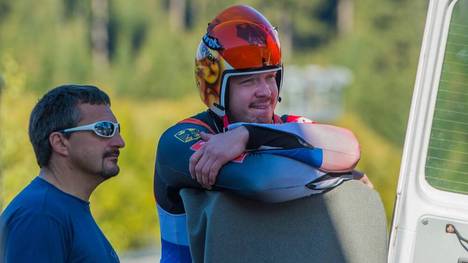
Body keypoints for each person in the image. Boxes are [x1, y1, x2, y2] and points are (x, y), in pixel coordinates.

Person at [154, 5, 372, 262]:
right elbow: (263, 180)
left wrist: (249, 135)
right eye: (248, 81)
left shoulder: (283, 125)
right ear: (215, 88)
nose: (265, 91)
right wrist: (339, 175)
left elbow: (348, 148)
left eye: (270, 77)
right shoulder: (182, 139)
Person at [0, 84, 125, 262]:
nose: (120, 142)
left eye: (117, 130)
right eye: (104, 129)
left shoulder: (61, 209)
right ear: (60, 143)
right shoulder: (40, 215)